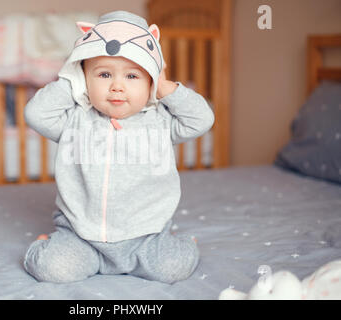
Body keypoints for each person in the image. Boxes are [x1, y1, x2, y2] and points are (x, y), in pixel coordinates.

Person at [23, 11, 214, 284]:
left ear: (150, 80)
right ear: (84, 78)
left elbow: (202, 119)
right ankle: (47, 245)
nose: (116, 87)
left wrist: (164, 86)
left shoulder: (160, 122)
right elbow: (36, 114)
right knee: (52, 269)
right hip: (81, 236)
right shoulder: (75, 121)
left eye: (133, 76)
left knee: (173, 268)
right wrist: (70, 81)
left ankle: (183, 243)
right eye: (103, 74)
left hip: (145, 237)